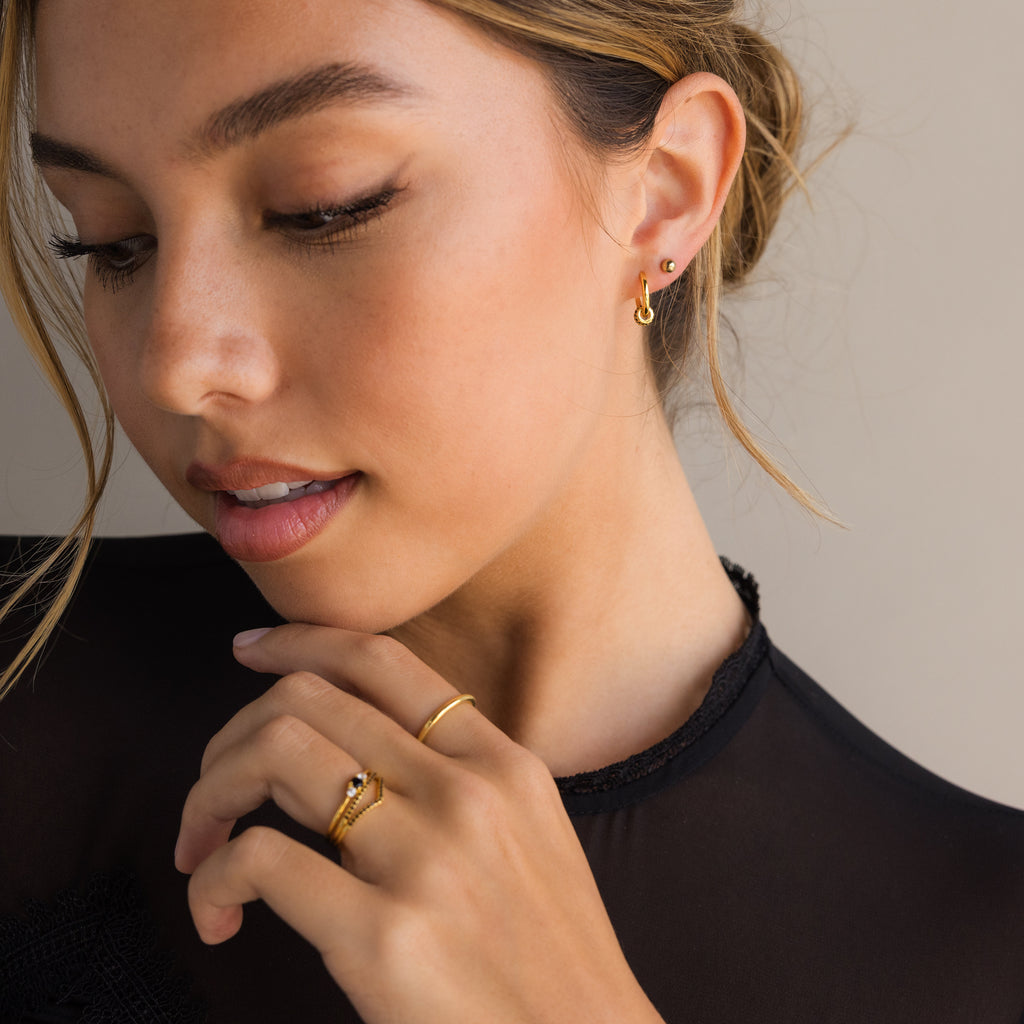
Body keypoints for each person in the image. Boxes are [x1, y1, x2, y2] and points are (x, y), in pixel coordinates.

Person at [0, 1, 1021, 1022]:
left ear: (666, 192)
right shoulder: (25, 698)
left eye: (324, 206)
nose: (175, 365)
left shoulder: (985, 952)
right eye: (112, 243)